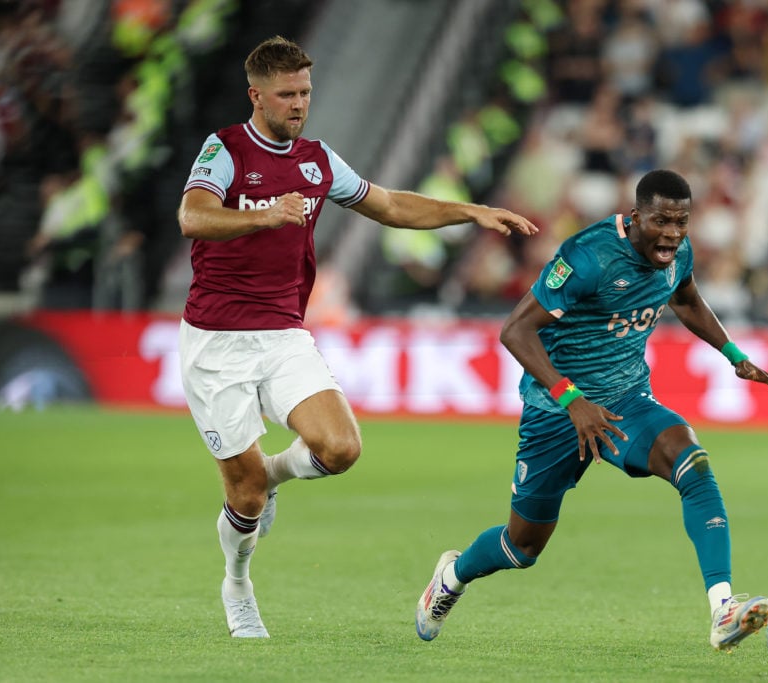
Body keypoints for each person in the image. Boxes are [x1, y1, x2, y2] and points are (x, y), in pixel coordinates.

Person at [176, 36, 538, 639]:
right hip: (216, 342)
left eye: (306, 92)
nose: (299, 104)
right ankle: (238, 582)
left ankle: (272, 475)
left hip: (283, 335)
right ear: (256, 95)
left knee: (340, 448)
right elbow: (193, 216)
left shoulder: (317, 160)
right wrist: (266, 214)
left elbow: (390, 204)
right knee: (241, 493)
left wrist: (469, 211)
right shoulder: (226, 150)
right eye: (287, 94)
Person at [415, 169, 768, 651]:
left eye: (682, 222)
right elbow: (515, 330)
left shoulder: (679, 252)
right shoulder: (588, 256)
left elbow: (686, 299)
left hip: (625, 400)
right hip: (556, 412)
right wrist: (573, 400)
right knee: (523, 546)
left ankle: (723, 609)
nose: (673, 233)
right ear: (637, 216)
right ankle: (451, 578)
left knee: (693, 464)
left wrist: (736, 356)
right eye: (662, 221)